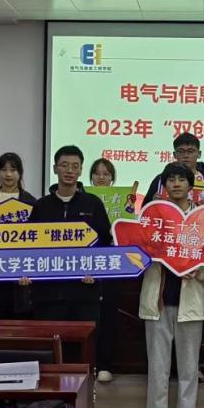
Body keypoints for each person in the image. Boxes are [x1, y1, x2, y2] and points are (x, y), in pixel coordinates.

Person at [141, 163, 204, 408]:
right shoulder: (152, 216)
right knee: (158, 364)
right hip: (157, 299)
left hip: (190, 300)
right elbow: (136, 252)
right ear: (164, 185)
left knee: (189, 365)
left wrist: (202, 271)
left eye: (182, 179)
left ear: (191, 185)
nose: (177, 184)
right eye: (171, 180)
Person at [27, 145, 112, 324]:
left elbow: (105, 242)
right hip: (48, 295)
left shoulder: (93, 204)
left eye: (75, 166)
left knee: (85, 341)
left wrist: (96, 272)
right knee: (50, 340)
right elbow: (29, 245)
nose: (70, 171)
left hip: (85, 293)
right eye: (64, 165)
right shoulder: (41, 205)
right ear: (55, 168)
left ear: (81, 170)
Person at [0, 152, 38, 320]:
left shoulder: (31, 202)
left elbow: (38, 240)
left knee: (21, 320)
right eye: (3, 170)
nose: (8, 174)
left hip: (21, 274)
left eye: (13, 169)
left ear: (20, 173)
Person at [88, 157, 120, 383]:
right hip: (85, 265)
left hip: (112, 264)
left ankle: (105, 364)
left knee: (108, 315)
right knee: (87, 317)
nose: (101, 177)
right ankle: (87, 363)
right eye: (97, 173)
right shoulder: (85, 201)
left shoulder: (123, 201)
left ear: (112, 178)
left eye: (106, 174)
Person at [143, 132, 204, 203]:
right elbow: (145, 209)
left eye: (190, 151)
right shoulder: (161, 179)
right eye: (181, 151)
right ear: (174, 155)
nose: (186, 155)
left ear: (199, 154)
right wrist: (153, 204)